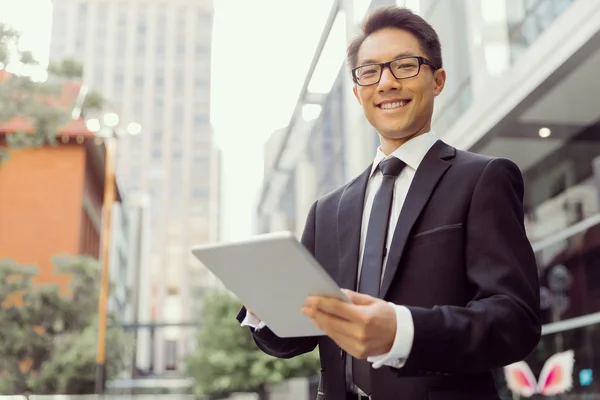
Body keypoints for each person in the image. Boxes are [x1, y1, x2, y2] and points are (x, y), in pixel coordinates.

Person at [237, 5, 541, 400]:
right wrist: (264, 304)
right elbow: (297, 339)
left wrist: (403, 332)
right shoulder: (327, 211)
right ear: (357, 91)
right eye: (370, 71)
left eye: (405, 66)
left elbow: (513, 321)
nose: (386, 83)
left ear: (438, 80)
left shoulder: (483, 179)